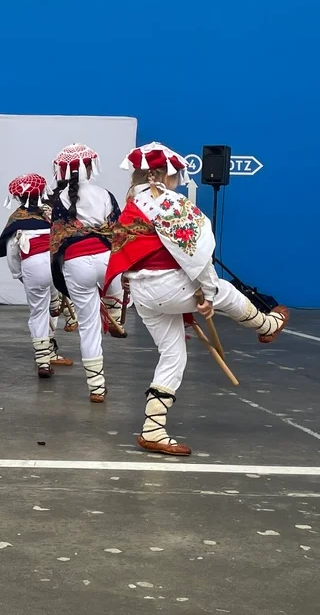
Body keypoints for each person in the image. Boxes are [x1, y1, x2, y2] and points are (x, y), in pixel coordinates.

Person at [106, 143, 289, 456]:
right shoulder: (169, 202)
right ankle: (266, 325)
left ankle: (153, 429)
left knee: (172, 355)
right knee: (224, 290)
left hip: (142, 293)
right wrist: (207, 294)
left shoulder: (131, 203)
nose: (178, 181)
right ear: (160, 175)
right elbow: (198, 253)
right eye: (175, 175)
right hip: (168, 287)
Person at [49, 143, 126, 404]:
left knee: (89, 327)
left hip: (76, 262)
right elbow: (118, 231)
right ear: (90, 167)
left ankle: (97, 388)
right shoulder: (104, 194)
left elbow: (56, 237)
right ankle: (115, 313)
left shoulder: (59, 199)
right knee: (117, 287)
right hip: (106, 260)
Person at [0, 173, 57, 377]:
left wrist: (20, 275)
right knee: (53, 301)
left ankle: (43, 361)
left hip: (33, 266)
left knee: (38, 311)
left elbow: (12, 253)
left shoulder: (16, 219)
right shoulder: (52, 215)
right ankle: (52, 344)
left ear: (18, 197)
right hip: (56, 264)